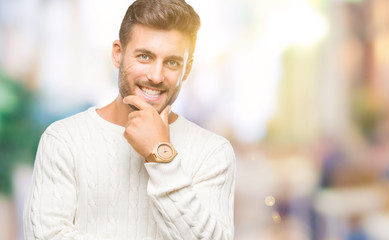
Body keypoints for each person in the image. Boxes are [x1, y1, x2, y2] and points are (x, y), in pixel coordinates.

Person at [23, 0, 236, 239]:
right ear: (118, 53)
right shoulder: (63, 140)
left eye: (172, 63)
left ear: (187, 70)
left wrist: (159, 154)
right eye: (145, 56)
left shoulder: (213, 152)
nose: (156, 76)